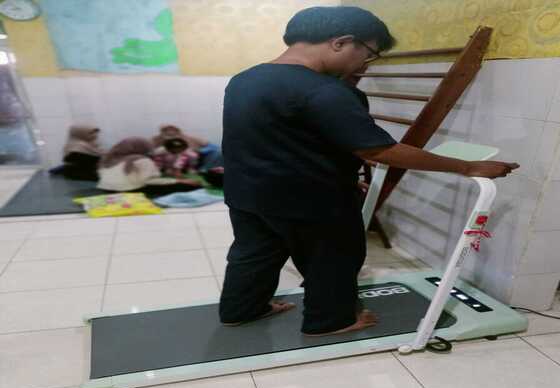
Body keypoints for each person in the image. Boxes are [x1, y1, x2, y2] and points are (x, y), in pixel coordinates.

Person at [219, 6, 519, 336]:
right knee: (333, 258)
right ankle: (332, 321)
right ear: (341, 42)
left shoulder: (244, 79)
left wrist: (340, 174)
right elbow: (378, 149)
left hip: (246, 193)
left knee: (254, 253)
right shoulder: (325, 91)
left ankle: (242, 309)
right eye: (368, 53)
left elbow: (283, 138)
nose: (365, 64)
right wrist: (466, 166)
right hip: (311, 201)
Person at [97, 137, 197, 192]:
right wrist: (179, 181)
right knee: (188, 186)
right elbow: (150, 181)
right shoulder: (142, 160)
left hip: (105, 188)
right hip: (128, 189)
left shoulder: (108, 158)